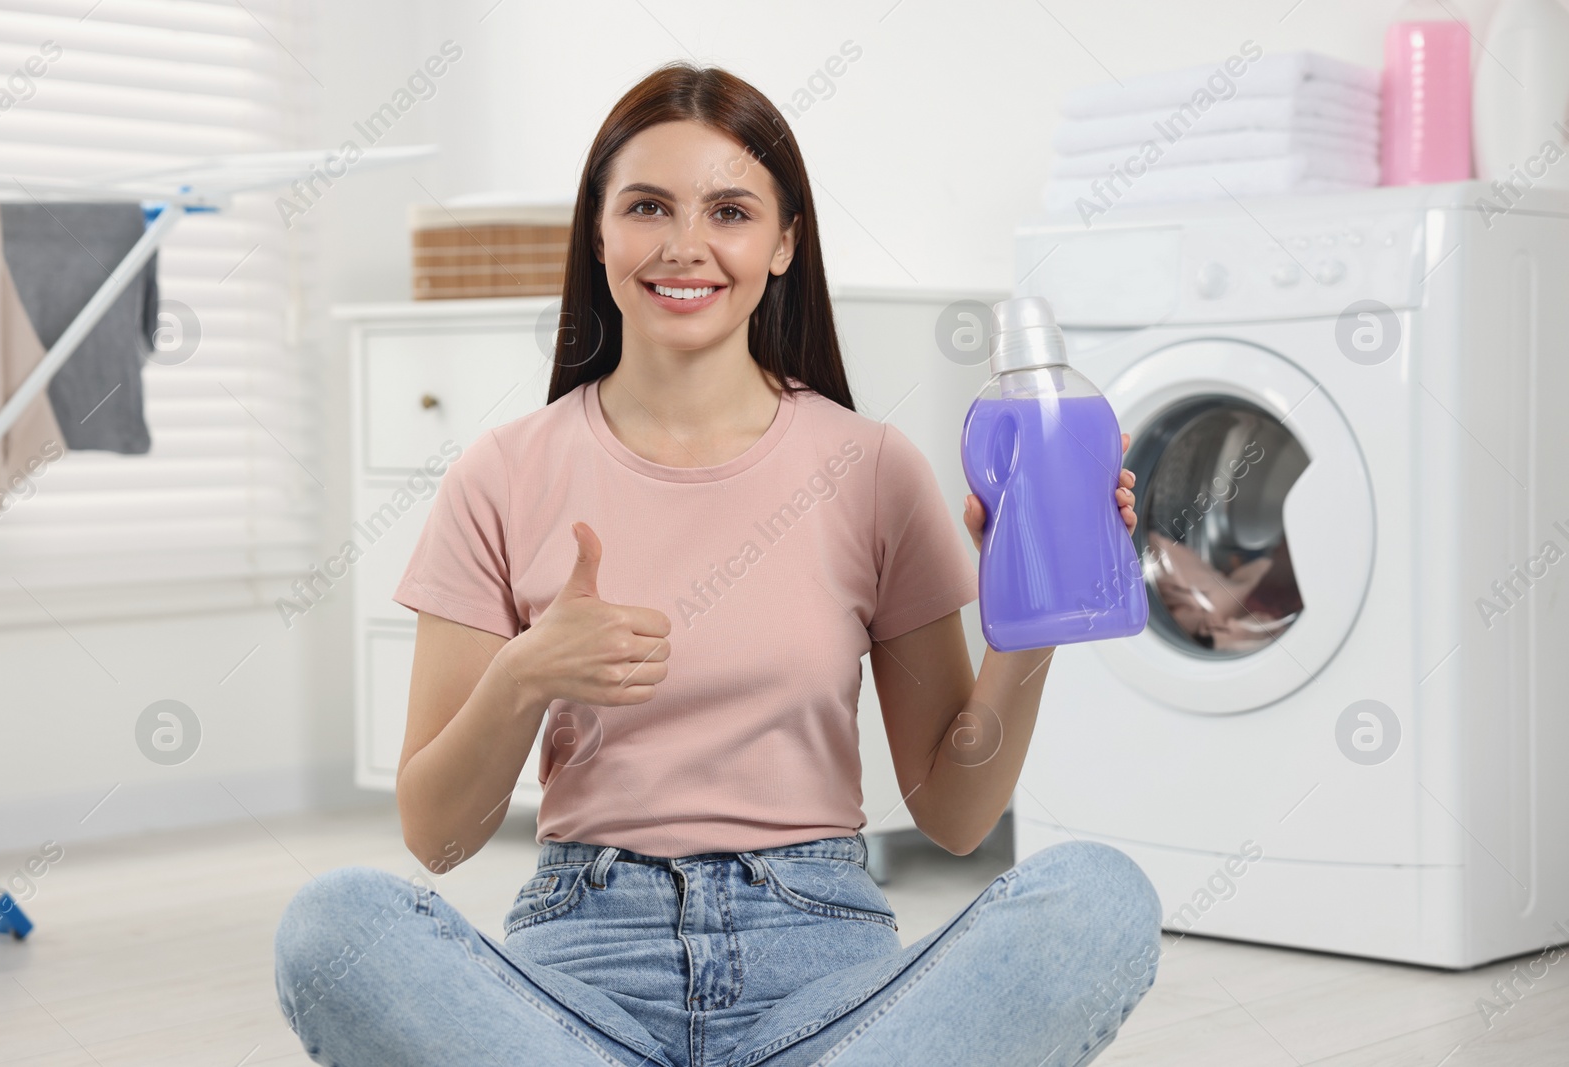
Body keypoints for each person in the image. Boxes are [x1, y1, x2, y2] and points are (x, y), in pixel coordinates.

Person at [273, 60, 1160, 1067]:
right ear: (599, 233)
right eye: (647, 206)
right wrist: (525, 676)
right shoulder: (504, 472)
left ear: (783, 242)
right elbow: (435, 835)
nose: (685, 246)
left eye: (730, 211)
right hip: (582, 981)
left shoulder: (870, 468)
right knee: (333, 924)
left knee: (1098, 892)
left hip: (825, 978)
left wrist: (1026, 621)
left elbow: (954, 816)